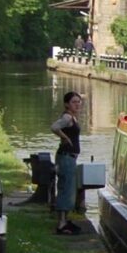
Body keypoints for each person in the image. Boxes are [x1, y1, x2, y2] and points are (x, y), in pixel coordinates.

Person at [52, 90, 83, 235]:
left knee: (68, 187)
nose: (77, 104)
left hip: (70, 157)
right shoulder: (67, 117)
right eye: (74, 102)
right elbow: (54, 127)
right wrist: (65, 138)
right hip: (66, 157)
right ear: (67, 104)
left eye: (78, 101)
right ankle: (61, 224)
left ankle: (65, 220)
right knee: (66, 188)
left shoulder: (72, 118)